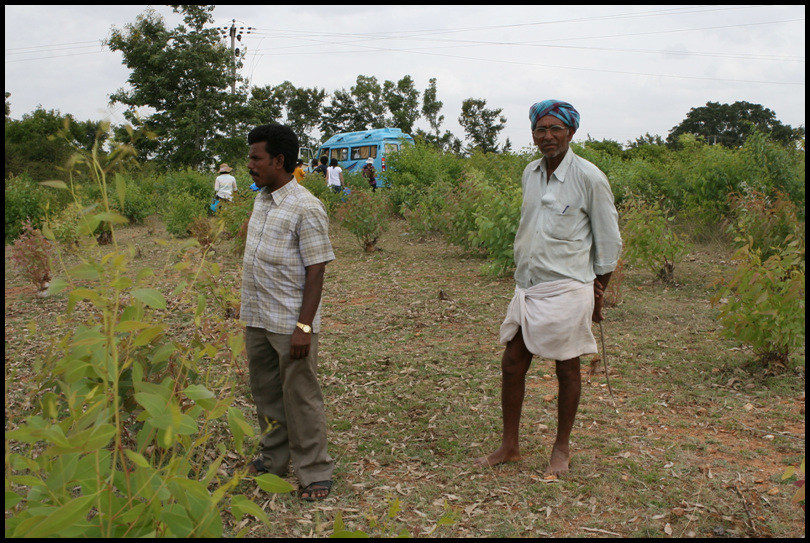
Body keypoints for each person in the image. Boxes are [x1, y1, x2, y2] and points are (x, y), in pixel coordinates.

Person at [473, 100, 622, 477]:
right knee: (512, 363)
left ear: (571, 132)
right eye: (541, 129)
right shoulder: (530, 173)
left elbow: (609, 242)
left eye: (556, 129)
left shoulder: (589, 177)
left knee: (567, 369)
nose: (548, 136)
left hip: (569, 288)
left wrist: (597, 293)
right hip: (529, 288)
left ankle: (561, 448)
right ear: (533, 134)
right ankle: (510, 446)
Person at [241, 123, 335, 501]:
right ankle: (273, 459)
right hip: (258, 316)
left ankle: (314, 471)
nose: (249, 164)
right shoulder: (261, 199)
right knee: (265, 393)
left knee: (300, 395)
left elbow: (317, 269)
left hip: (289, 322)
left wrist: (304, 327)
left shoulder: (307, 207)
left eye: (255, 157)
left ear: (278, 161)